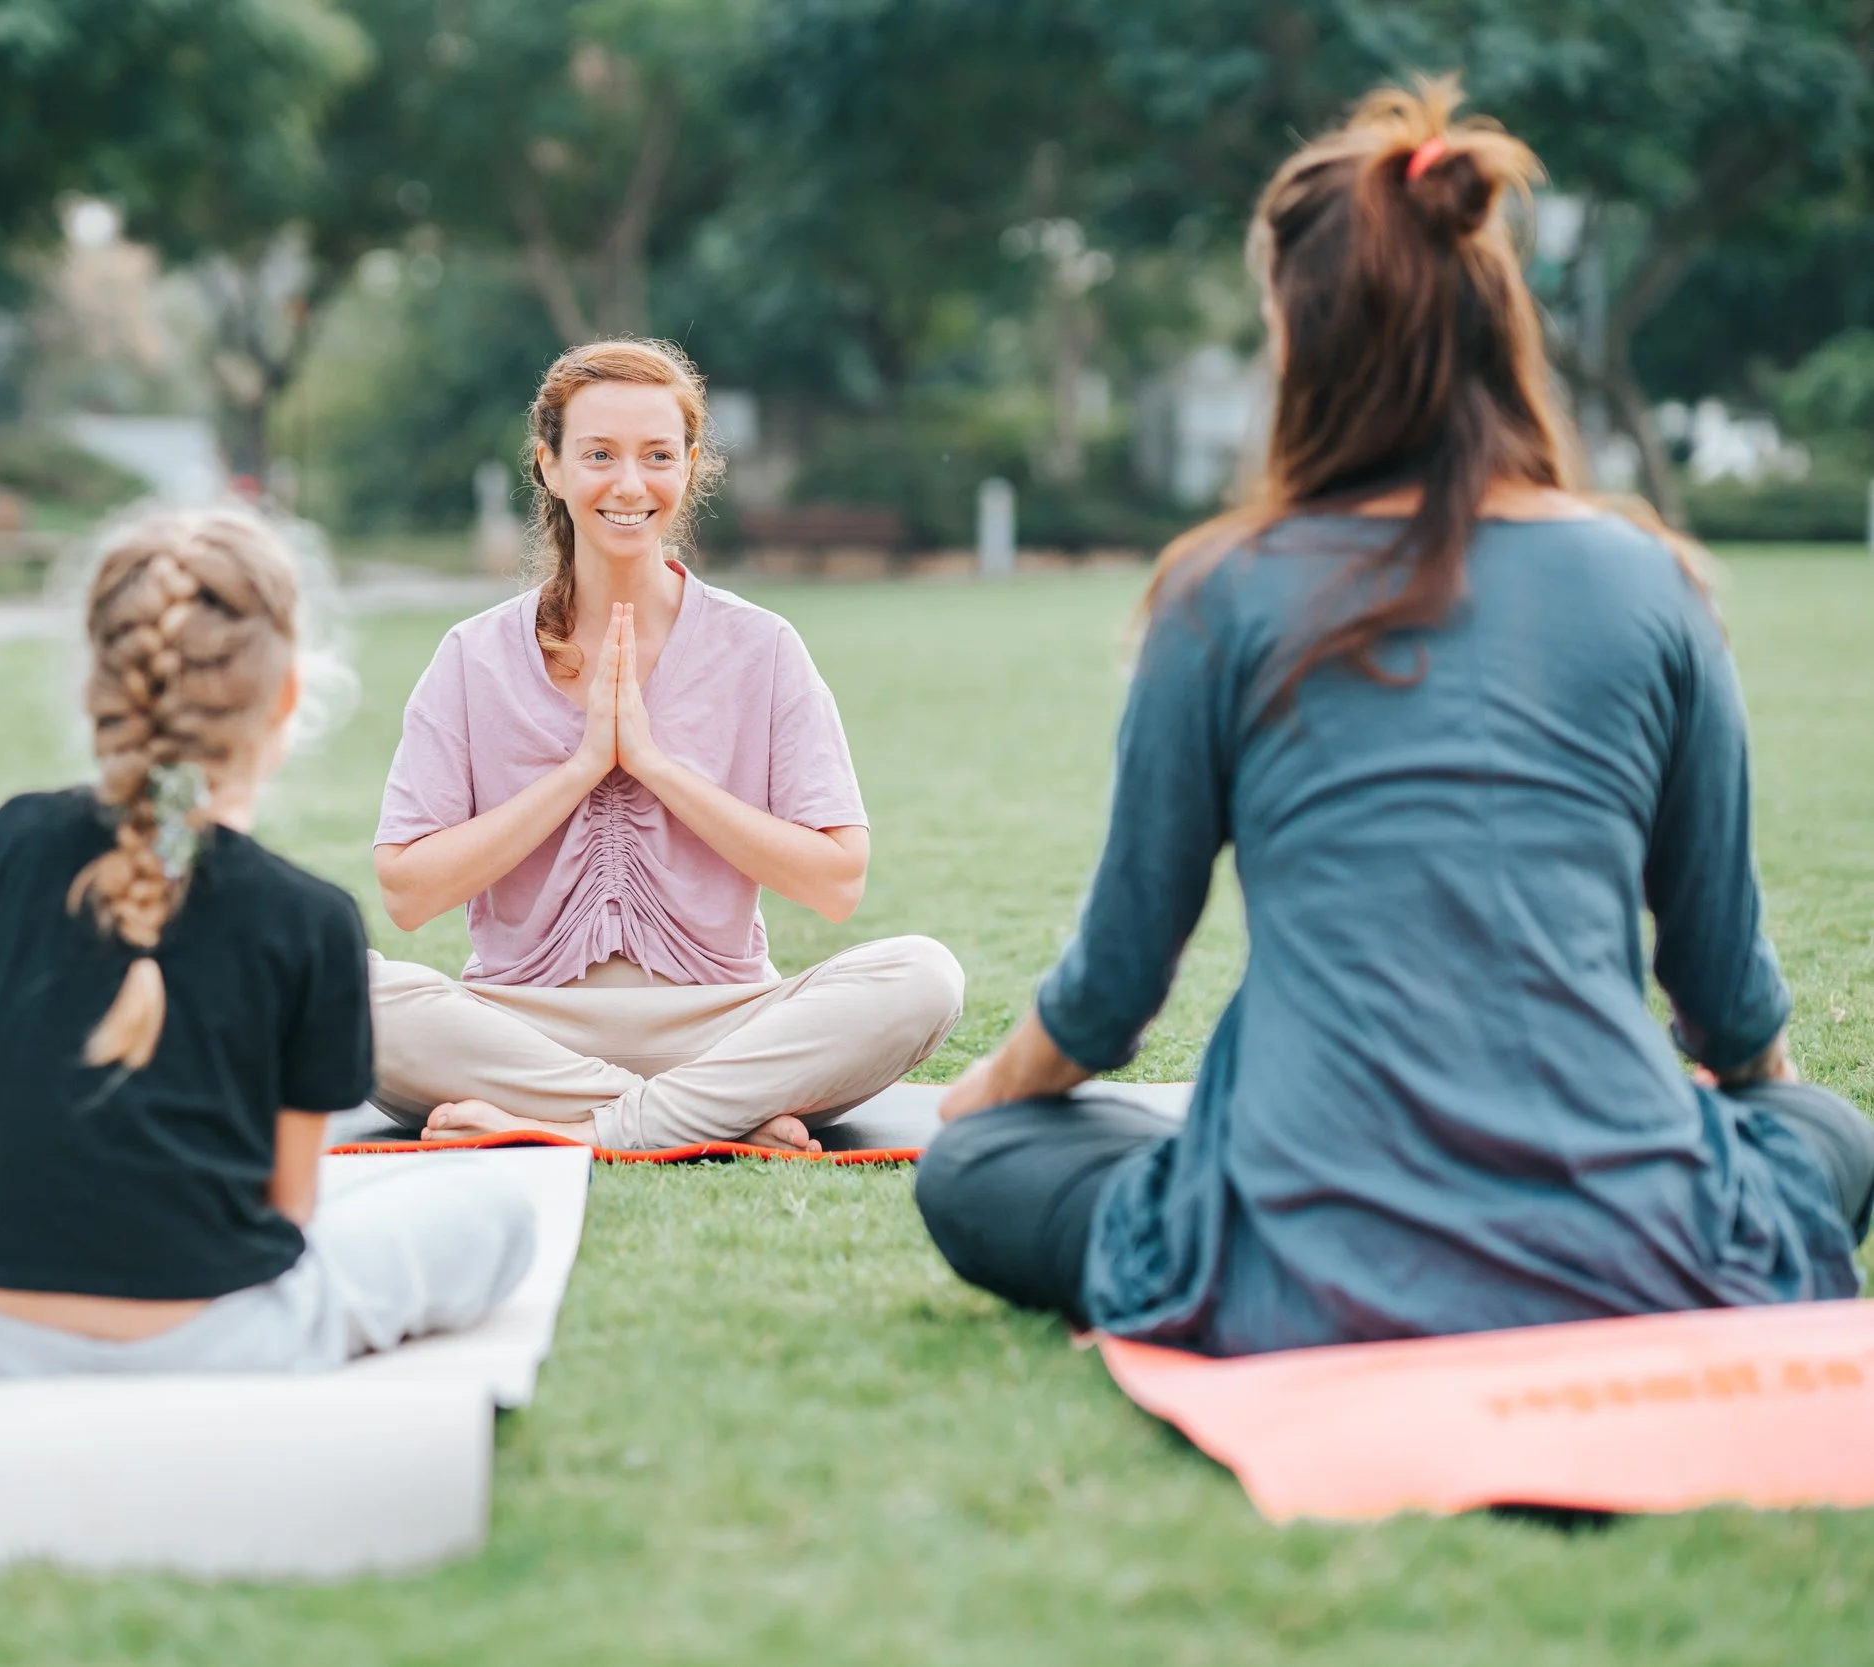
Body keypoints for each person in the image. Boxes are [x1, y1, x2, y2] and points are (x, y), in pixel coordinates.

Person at [914, 80, 1874, 1357]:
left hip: (1305, 1256)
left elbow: (1109, 991)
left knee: (982, 1166)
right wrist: (1744, 1161)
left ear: (1302, 341)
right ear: (1495, 326)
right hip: (1630, 1241)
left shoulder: (1221, 590)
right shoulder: (1653, 578)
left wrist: (974, 1109)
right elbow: (1726, 1000)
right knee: (1830, 1138)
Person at [0, 508, 534, 1381]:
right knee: (497, 1215)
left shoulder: (16, 838)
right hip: (222, 1337)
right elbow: (289, 1206)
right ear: (288, 693)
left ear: (101, 685)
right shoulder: (314, 918)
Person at [369, 338, 963, 1154]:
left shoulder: (763, 647)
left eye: (656, 455)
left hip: (722, 1023)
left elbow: (836, 880)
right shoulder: (472, 657)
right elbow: (405, 892)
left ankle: (585, 1126)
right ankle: (699, 1117)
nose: (628, 483)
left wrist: (654, 765)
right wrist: (583, 767)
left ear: (690, 467)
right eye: (598, 454)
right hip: (519, 1028)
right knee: (340, 992)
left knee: (924, 975)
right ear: (548, 464)